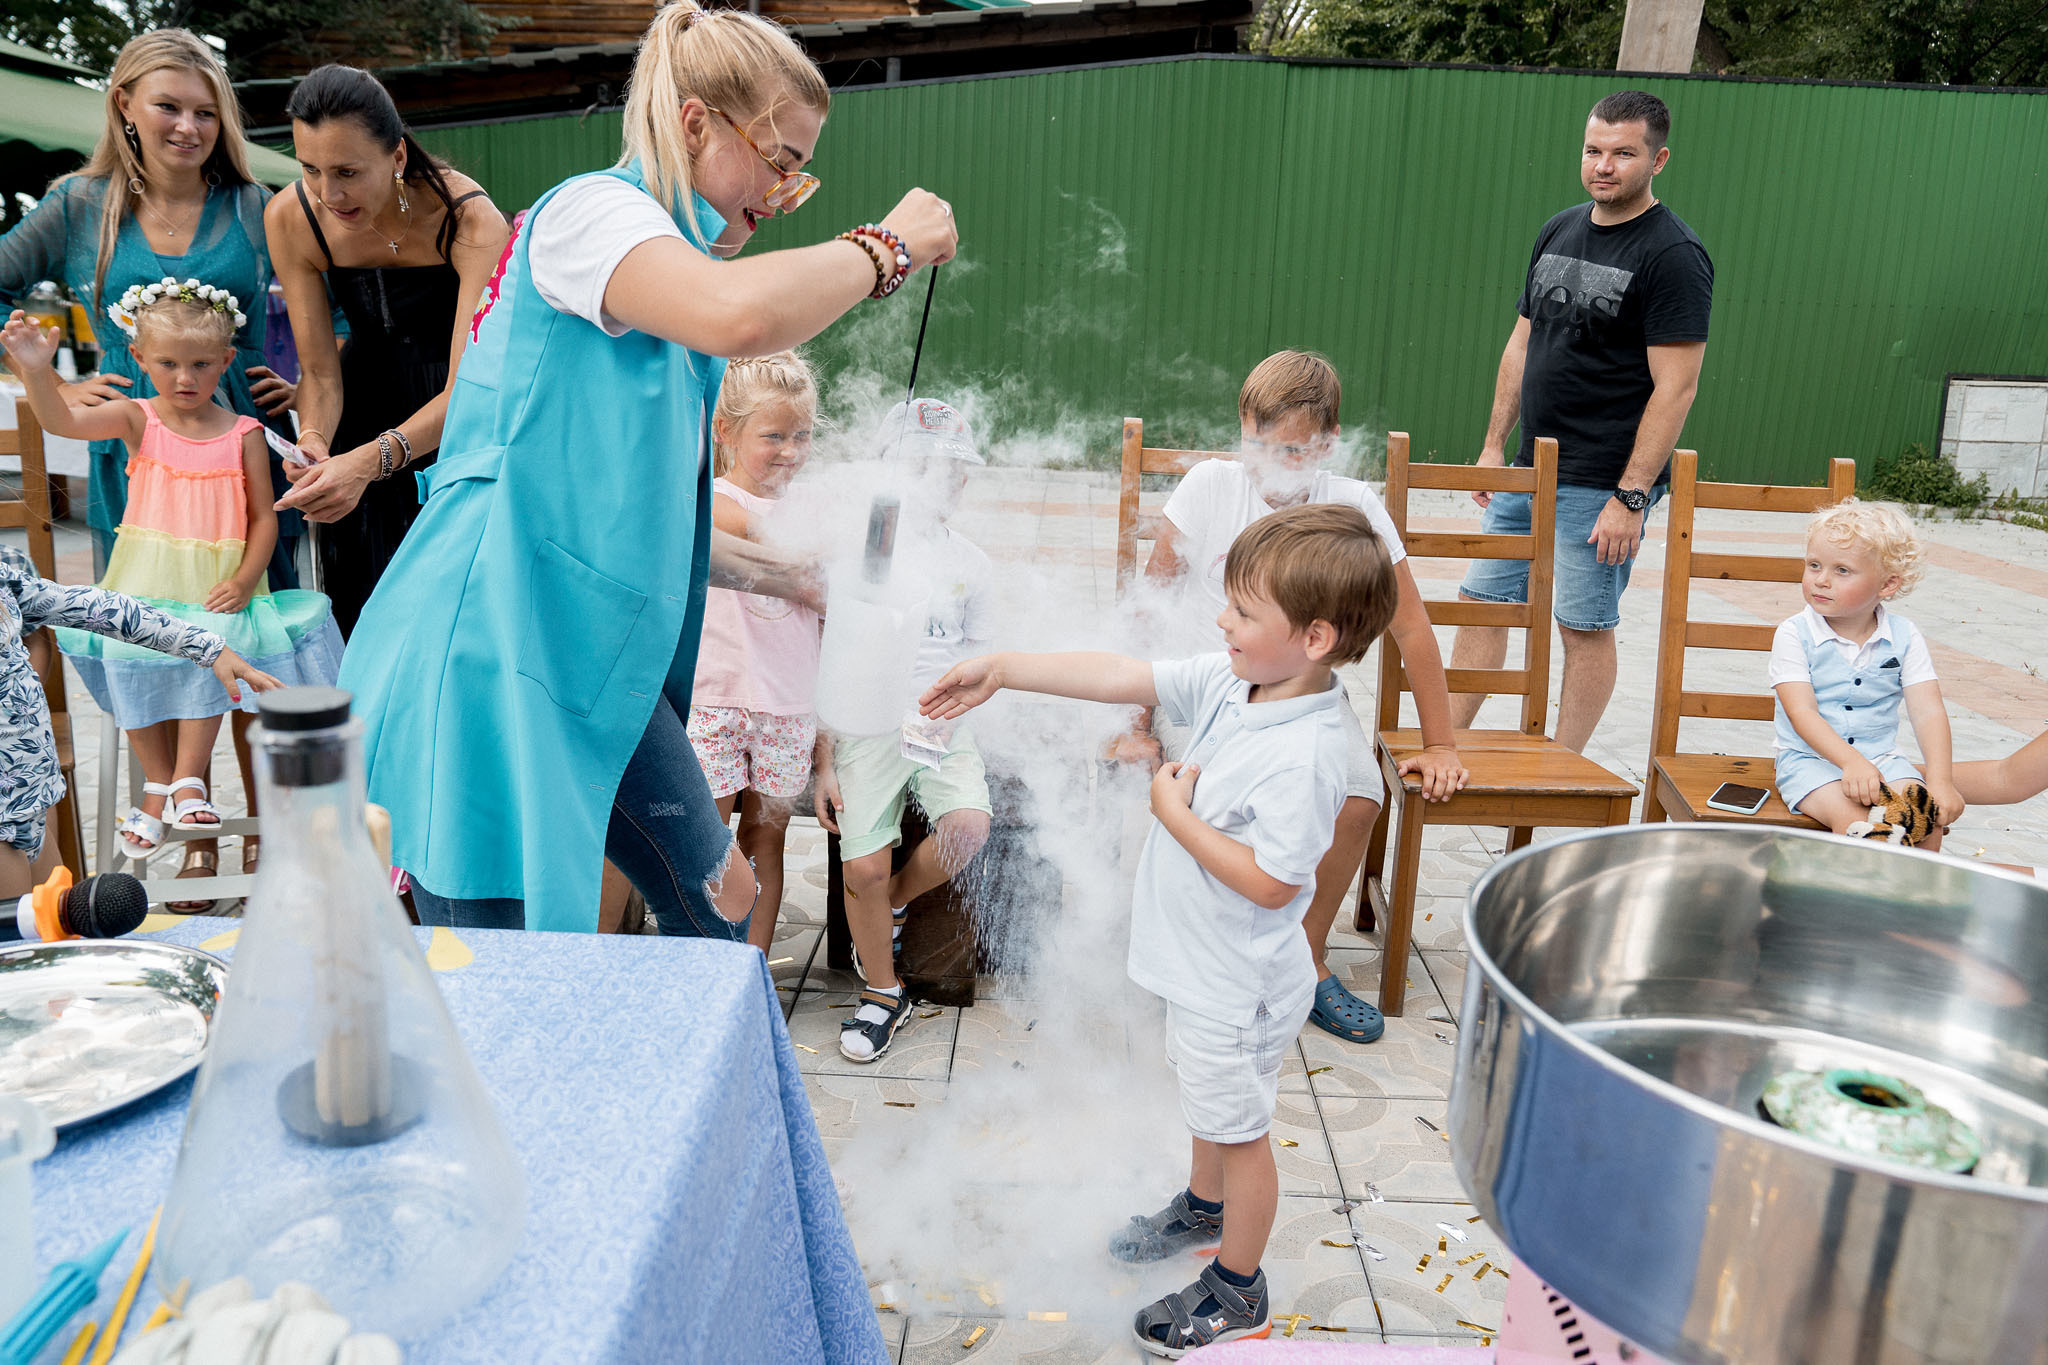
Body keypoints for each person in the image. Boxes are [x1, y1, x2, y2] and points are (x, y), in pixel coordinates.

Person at [337, 0, 958, 937]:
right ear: (695, 120)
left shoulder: (666, 287)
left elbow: (645, 524)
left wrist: (790, 575)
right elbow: (737, 314)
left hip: (597, 668)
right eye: (779, 162)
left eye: (800, 173)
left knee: (726, 905)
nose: (783, 194)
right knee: (499, 975)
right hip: (492, 655)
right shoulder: (595, 216)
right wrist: (886, 248)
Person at [920, 504, 1400, 1357]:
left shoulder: (1310, 751)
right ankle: (1201, 1205)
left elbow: (1274, 879)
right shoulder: (1235, 681)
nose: (1222, 620)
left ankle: (1238, 1285)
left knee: (1242, 1130)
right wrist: (1005, 666)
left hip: (1240, 982)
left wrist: (1170, 811)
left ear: (1317, 636)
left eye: (1245, 611)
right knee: (1211, 1108)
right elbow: (1121, 672)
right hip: (1206, 969)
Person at [0, 28, 305, 892]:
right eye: (168, 106)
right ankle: (185, 848)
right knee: (148, 648)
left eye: (206, 112)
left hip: (234, 459)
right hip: (134, 469)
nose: (187, 126)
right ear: (124, 107)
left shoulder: (256, 206)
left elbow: (329, 316)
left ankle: (268, 843)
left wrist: (298, 386)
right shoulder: (77, 205)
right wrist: (44, 379)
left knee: (246, 633)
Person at [1138, 349, 1467, 1046]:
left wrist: (1441, 743)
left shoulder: (1353, 506)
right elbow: (1148, 607)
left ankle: (1304, 958)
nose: (1270, 463)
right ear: (1241, 425)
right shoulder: (1208, 486)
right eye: (1257, 444)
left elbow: (1412, 627)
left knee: (1358, 792)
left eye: (1290, 450)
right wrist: (1133, 722)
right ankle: (1204, 959)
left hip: (1305, 695)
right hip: (1206, 687)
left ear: (1325, 442)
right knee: (1218, 797)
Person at [2, 290, 338, 876]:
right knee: (126, 648)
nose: (184, 377)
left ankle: (187, 777)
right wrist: (36, 370)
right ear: (139, 357)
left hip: (217, 586)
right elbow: (61, 419)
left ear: (226, 360)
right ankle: (160, 781)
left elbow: (264, 517)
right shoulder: (139, 419)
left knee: (211, 643)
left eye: (201, 364)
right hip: (144, 584)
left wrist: (243, 578)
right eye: (168, 363)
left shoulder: (244, 433)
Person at [1447, 89, 1713, 753]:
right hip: (1526, 470)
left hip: (1601, 481)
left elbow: (1675, 388)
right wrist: (1491, 446)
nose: (1604, 164)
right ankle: (1445, 741)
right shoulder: (1559, 228)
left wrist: (1631, 495)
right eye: (1594, 149)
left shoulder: (1673, 255)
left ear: (1658, 160)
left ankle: (1560, 764)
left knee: (1582, 625)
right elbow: (1521, 345)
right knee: (1483, 605)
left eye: (1624, 153)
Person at [266, 65, 512, 639]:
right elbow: (321, 378)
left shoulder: (470, 218)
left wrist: (365, 465)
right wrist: (314, 444)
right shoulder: (291, 216)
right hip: (360, 403)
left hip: (454, 422)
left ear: (397, 157)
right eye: (310, 169)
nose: (329, 194)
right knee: (366, 614)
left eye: (348, 172)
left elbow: (469, 388)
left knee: (456, 624)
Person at [818, 398, 995, 1063]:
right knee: (860, 861)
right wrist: (825, 756)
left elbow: (982, 657)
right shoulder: (862, 546)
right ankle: (884, 989)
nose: (935, 484)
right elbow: (830, 650)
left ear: (963, 484)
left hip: (937, 718)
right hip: (863, 716)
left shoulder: (973, 563)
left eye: (947, 473)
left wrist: (962, 716)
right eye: (916, 469)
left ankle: (893, 902)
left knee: (968, 826)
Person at [0, 544, 279, 898]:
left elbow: (98, 607)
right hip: (3, 823)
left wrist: (209, 648)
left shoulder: (5, 577)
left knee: (50, 933)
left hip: (36, 801)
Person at [687, 351, 827, 953]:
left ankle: (751, 970)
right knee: (705, 843)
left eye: (803, 436)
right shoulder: (714, 501)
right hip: (715, 702)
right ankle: (703, 963)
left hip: (789, 706)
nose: (791, 452)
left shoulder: (819, 510)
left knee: (766, 843)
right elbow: (738, 530)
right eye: (773, 436)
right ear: (726, 432)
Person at [1770, 500, 1962, 847]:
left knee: (1927, 818)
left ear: (1887, 585)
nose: (1821, 580)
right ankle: (1858, 897)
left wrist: (1941, 779)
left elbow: (1928, 711)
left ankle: (1916, 899)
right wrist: (1851, 763)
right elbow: (1802, 713)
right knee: (1863, 823)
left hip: (1884, 760)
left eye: (1842, 570)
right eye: (1814, 565)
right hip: (1810, 763)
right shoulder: (1794, 633)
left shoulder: (1904, 636)